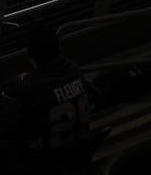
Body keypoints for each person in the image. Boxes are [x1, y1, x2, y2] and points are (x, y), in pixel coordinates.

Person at [7, 24, 93, 172]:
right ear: (59, 47)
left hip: (50, 162)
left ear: (30, 55)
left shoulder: (26, 87)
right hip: (80, 154)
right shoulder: (74, 69)